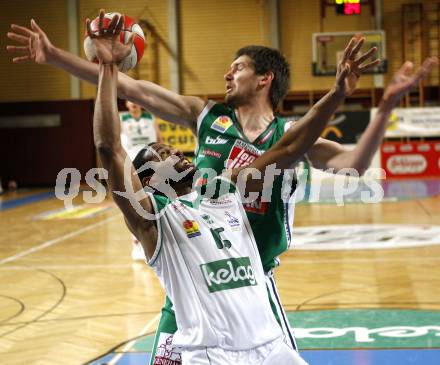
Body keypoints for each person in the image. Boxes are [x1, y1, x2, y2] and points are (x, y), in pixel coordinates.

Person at [6, 12, 437, 363]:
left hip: (252, 280)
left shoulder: (288, 138)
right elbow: (127, 91)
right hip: (191, 272)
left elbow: (353, 163)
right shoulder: (206, 117)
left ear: (265, 78)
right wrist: (56, 57)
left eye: (238, 67)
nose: (227, 74)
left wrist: (378, 109)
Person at [90, 14, 350, 364]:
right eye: (162, 155)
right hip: (211, 353)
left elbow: (289, 148)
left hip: (267, 345)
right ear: (149, 181)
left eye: (171, 149)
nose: (176, 153)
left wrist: (336, 95)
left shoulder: (224, 193)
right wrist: (108, 69)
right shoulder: (155, 222)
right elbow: (109, 148)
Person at [119, 100, 164, 260]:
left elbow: (160, 139)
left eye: (136, 101)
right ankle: (136, 244)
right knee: (135, 203)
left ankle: (156, 240)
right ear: (126, 103)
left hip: (150, 164)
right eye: (130, 101)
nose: (134, 103)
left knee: (153, 201)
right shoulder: (121, 119)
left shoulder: (150, 118)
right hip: (130, 163)